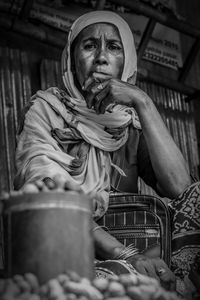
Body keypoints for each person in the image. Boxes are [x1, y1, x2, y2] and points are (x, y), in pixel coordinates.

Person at [14, 10, 200, 297]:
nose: (101, 57)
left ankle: (179, 283)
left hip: (133, 256)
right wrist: (127, 256)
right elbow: (50, 202)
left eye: (113, 47)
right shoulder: (44, 113)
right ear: (71, 60)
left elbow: (182, 189)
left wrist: (142, 102)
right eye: (89, 46)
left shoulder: (130, 124)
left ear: (127, 61)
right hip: (65, 250)